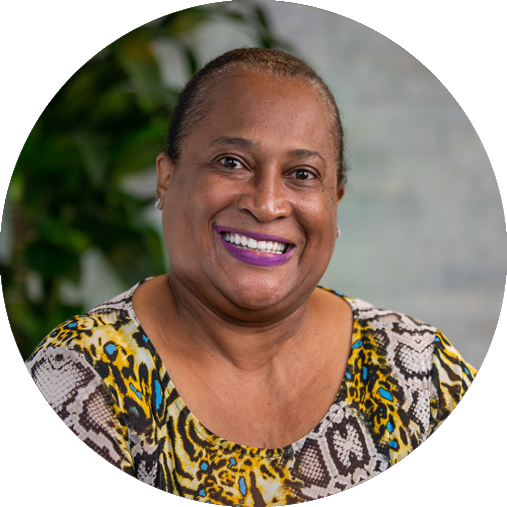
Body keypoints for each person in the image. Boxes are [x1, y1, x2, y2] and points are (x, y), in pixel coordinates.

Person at [0, 47, 506, 507]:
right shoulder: (81, 379)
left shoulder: (417, 369)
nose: (267, 204)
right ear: (167, 178)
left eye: (302, 174)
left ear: (335, 202)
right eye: (232, 162)